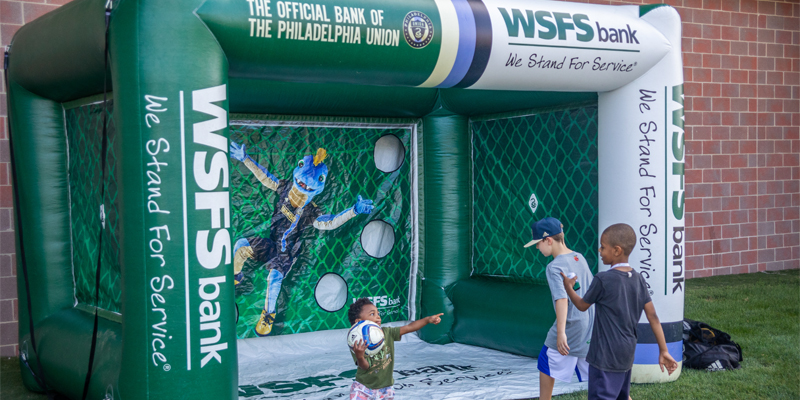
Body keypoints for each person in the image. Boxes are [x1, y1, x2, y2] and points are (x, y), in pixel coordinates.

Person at [561, 223, 678, 400]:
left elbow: (582, 305)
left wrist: (569, 288)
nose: (599, 250)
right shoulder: (638, 278)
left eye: (603, 247)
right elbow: (652, 316)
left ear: (616, 250)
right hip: (627, 353)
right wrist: (663, 350)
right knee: (622, 396)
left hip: (604, 357)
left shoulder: (603, 279)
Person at [524, 217, 595, 400]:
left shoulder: (554, 266)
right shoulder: (580, 257)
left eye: (538, 244)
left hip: (572, 325)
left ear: (548, 240)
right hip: (589, 326)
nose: (537, 248)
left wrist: (561, 332)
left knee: (545, 360)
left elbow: (562, 299)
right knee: (602, 377)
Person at [347, 298, 443, 400]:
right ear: (358, 321)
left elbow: (409, 327)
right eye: (372, 314)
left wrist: (427, 320)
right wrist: (360, 356)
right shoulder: (356, 341)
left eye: (378, 313)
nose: (378, 317)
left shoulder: (387, 332)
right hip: (364, 388)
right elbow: (365, 367)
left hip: (385, 388)